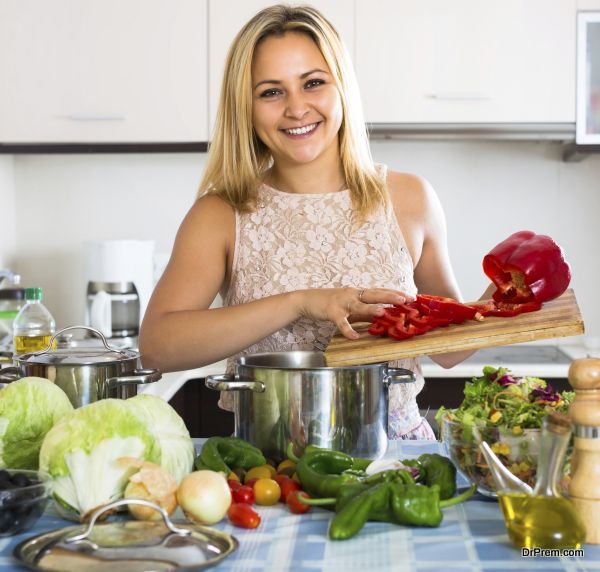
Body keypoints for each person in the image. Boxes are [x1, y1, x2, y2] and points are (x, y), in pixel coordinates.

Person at [139, 4, 489, 440]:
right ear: (244, 108)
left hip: (397, 460)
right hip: (270, 468)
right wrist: (298, 302)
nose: (296, 108)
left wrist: (506, 301)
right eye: (271, 92)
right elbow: (156, 347)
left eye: (314, 83)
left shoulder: (410, 198)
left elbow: (451, 351)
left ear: (342, 87)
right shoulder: (220, 214)